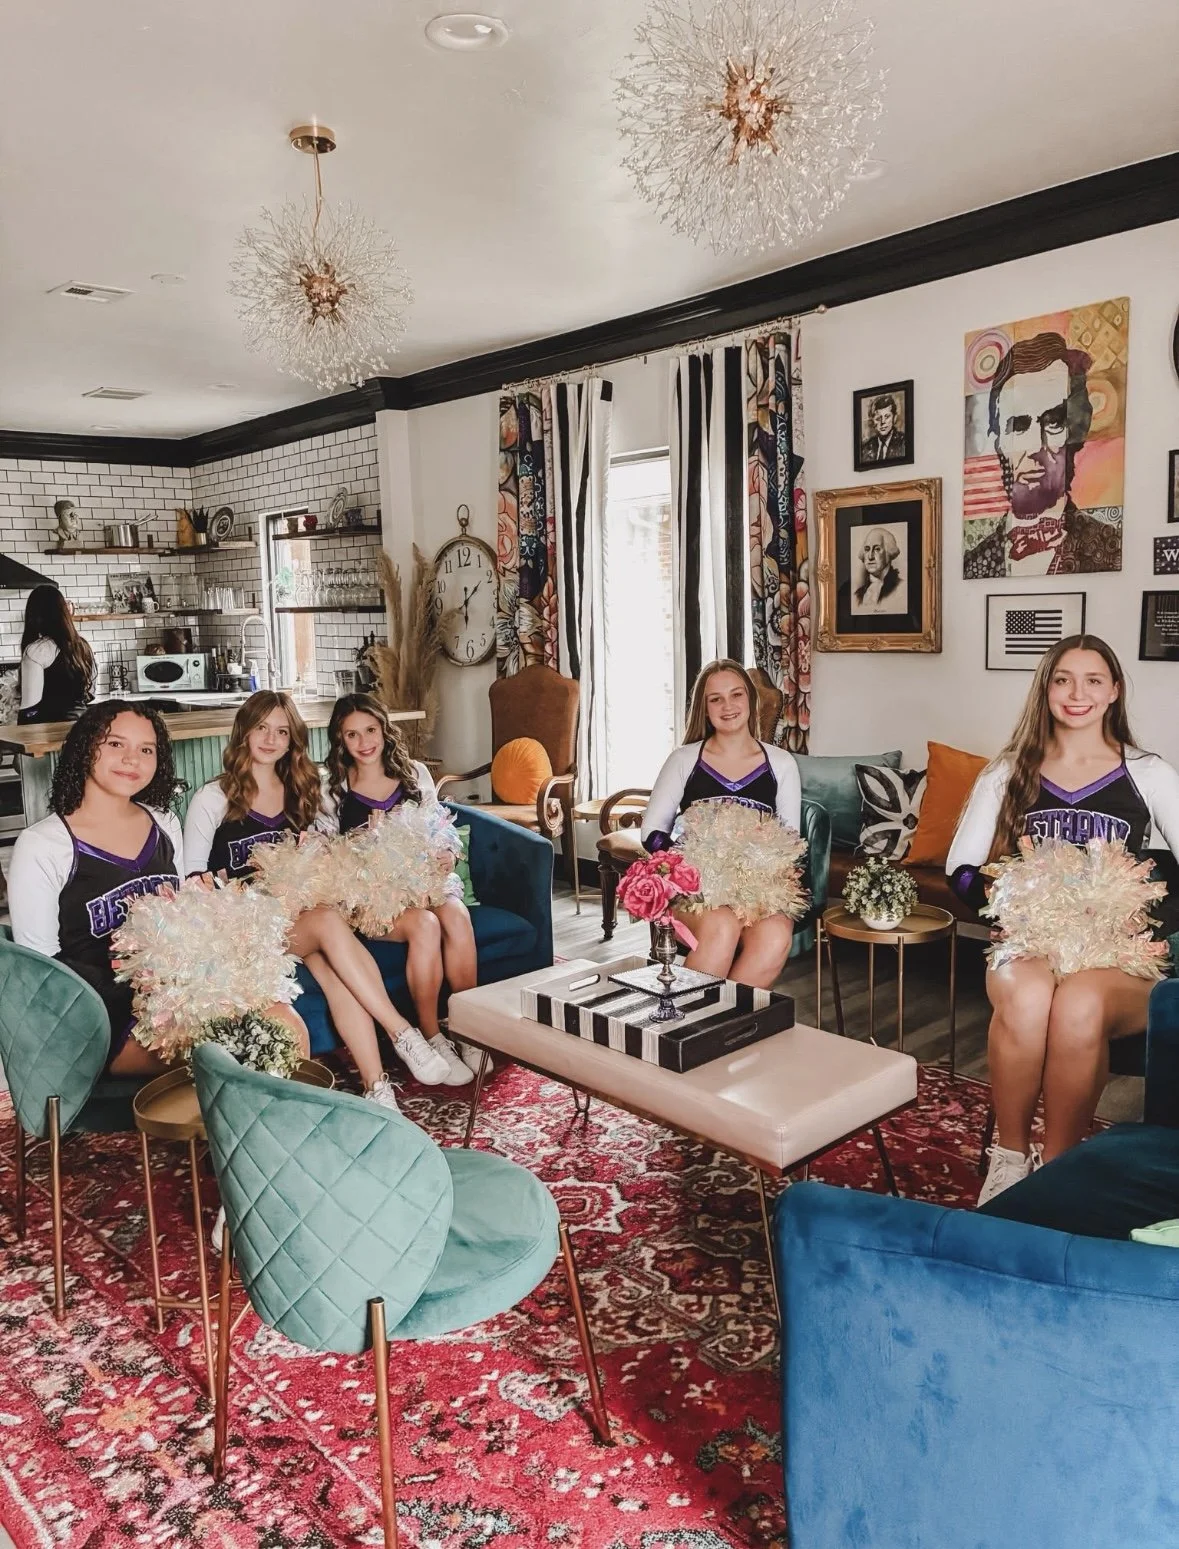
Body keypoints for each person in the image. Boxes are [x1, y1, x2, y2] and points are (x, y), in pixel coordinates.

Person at [946, 636, 1179, 1204]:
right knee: (1028, 998)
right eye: (1063, 679)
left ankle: (1057, 1169)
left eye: (1093, 680)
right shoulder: (1009, 769)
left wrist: (1142, 920)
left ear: (1114, 690)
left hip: (1112, 955)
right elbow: (960, 868)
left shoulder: (1147, 772)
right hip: (1031, 940)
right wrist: (1005, 904)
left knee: (1078, 1004)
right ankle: (1008, 1158)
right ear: (1045, 689)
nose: (1078, 693)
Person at [8, 701, 308, 1076]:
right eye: (115, 744)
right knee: (239, 1050)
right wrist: (149, 989)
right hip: (100, 1020)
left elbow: (186, 920)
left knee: (286, 1021)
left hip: (176, 999)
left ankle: (286, 1115)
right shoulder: (43, 844)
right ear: (85, 748)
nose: (132, 759)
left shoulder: (164, 823)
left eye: (146, 749)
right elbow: (42, 971)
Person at [183, 691, 450, 1104]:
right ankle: (401, 1032)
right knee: (327, 921)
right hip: (244, 930)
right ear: (244, 732)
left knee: (333, 969)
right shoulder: (213, 798)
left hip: (297, 920)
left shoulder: (301, 790)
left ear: (292, 739)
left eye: (282, 731)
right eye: (261, 728)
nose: (270, 739)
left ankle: (377, 1088)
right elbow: (191, 879)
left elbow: (324, 855)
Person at [324, 693, 476, 1086]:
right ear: (340, 740)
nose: (364, 742)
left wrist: (448, 853)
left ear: (384, 729)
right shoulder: (333, 789)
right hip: (371, 899)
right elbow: (328, 855)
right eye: (352, 735)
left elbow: (440, 826)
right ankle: (432, 1035)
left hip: (421, 883)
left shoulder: (414, 774)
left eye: (370, 730)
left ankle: (470, 1030)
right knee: (425, 924)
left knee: (457, 916)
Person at [641, 659, 801, 988]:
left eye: (736, 695)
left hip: (757, 890)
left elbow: (791, 839)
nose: (728, 706)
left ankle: (726, 1016)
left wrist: (755, 868)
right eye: (716, 699)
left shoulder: (781, 763)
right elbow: (652, 833)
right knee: (722, 926)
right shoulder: (684, 759)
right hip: (696, 888)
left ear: (750, 700)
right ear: (705, 708)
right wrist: (696, 868)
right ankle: (689, 1017)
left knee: (774, 937)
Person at [963, 332, 1121, 579]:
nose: (1036, 446)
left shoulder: (1110, 548)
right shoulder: (973, 563)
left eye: (1054, 422)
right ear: (997, 441)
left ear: (1075, 433)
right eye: (1018, 426)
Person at [19, 584, 94, 724]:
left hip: (51, 730)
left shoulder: (37, 651)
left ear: (34, 616)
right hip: (82, 727)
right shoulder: (83, 646)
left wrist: (19, 733)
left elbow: (30, 710)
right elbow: (90, 693)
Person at [851, 527, 905, 614]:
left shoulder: (901, 589)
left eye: (877, 549)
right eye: (867, 549)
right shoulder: (856, 595)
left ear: (888, 552)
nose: (870, 556)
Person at [861, 394, 906, 463]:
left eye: (887, 416)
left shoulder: (904, 442)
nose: (882, 422)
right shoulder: (865, 447)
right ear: (872, 421)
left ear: (894, 418)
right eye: (878, 418)